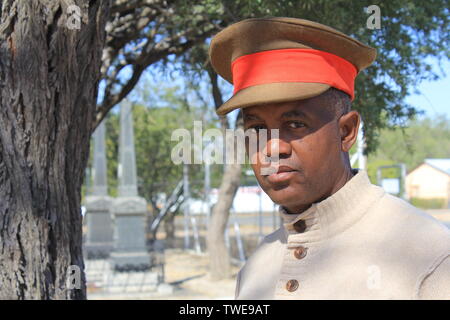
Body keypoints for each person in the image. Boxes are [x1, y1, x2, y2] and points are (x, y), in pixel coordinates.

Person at [208, 17, 450, 299]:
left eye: (296, 124)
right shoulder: (256, 267)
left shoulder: (430, 256)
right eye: (258, 129)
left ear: (346, 132)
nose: (272, 148)